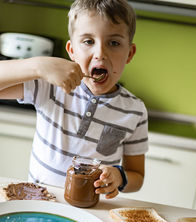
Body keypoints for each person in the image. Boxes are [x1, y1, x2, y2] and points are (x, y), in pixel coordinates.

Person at [0, 0, 148, 199]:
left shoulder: (135, 111)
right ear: (71, 51)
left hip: (93, 212)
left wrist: (119, 177)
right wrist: (38, 66)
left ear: (129, 53)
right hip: (38, 202)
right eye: (88, 41)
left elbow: (137, 176)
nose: (100, 54)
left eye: (114, 43)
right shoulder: (49, 87)